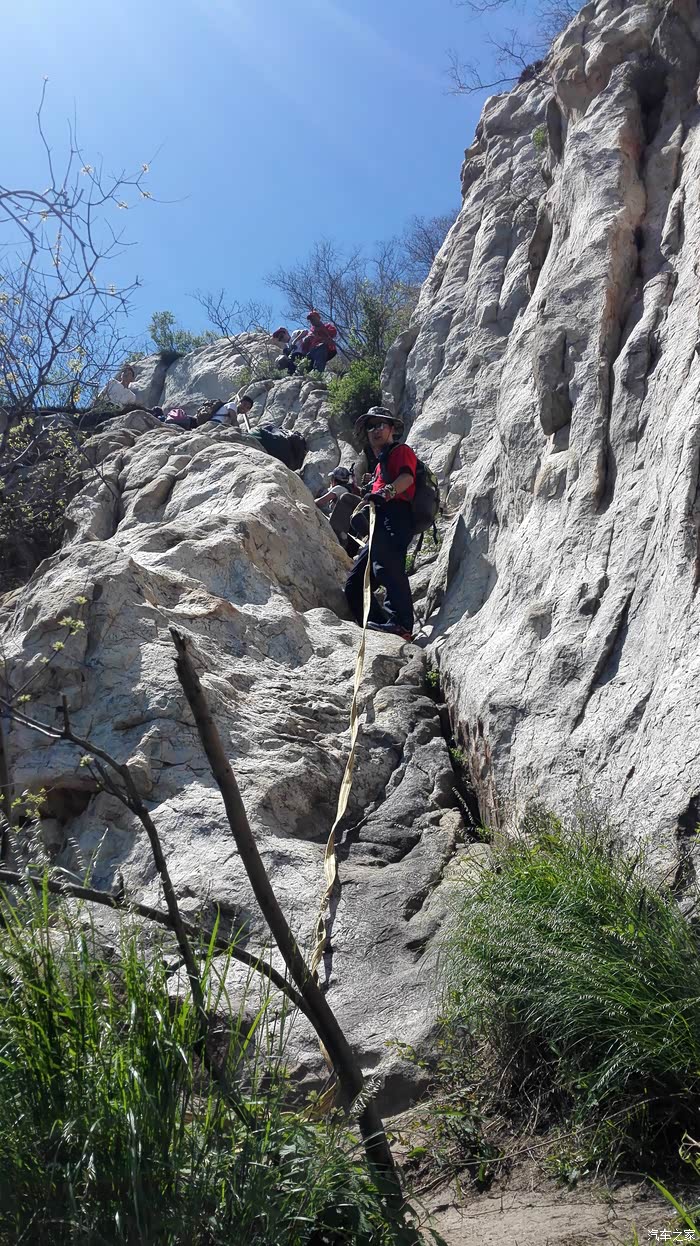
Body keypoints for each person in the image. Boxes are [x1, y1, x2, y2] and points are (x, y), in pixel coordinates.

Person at [344, 406, 416, 640]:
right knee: (355, 583)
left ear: (392, 429)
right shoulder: (378, 465)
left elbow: (407, 477)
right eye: (370, 427)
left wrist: (386, 492)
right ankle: (379, 625)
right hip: (380, 521)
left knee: (387, 566)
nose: (375, 430)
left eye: (380, 425)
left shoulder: (400, 451)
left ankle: (401, 624)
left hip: (396, 515)